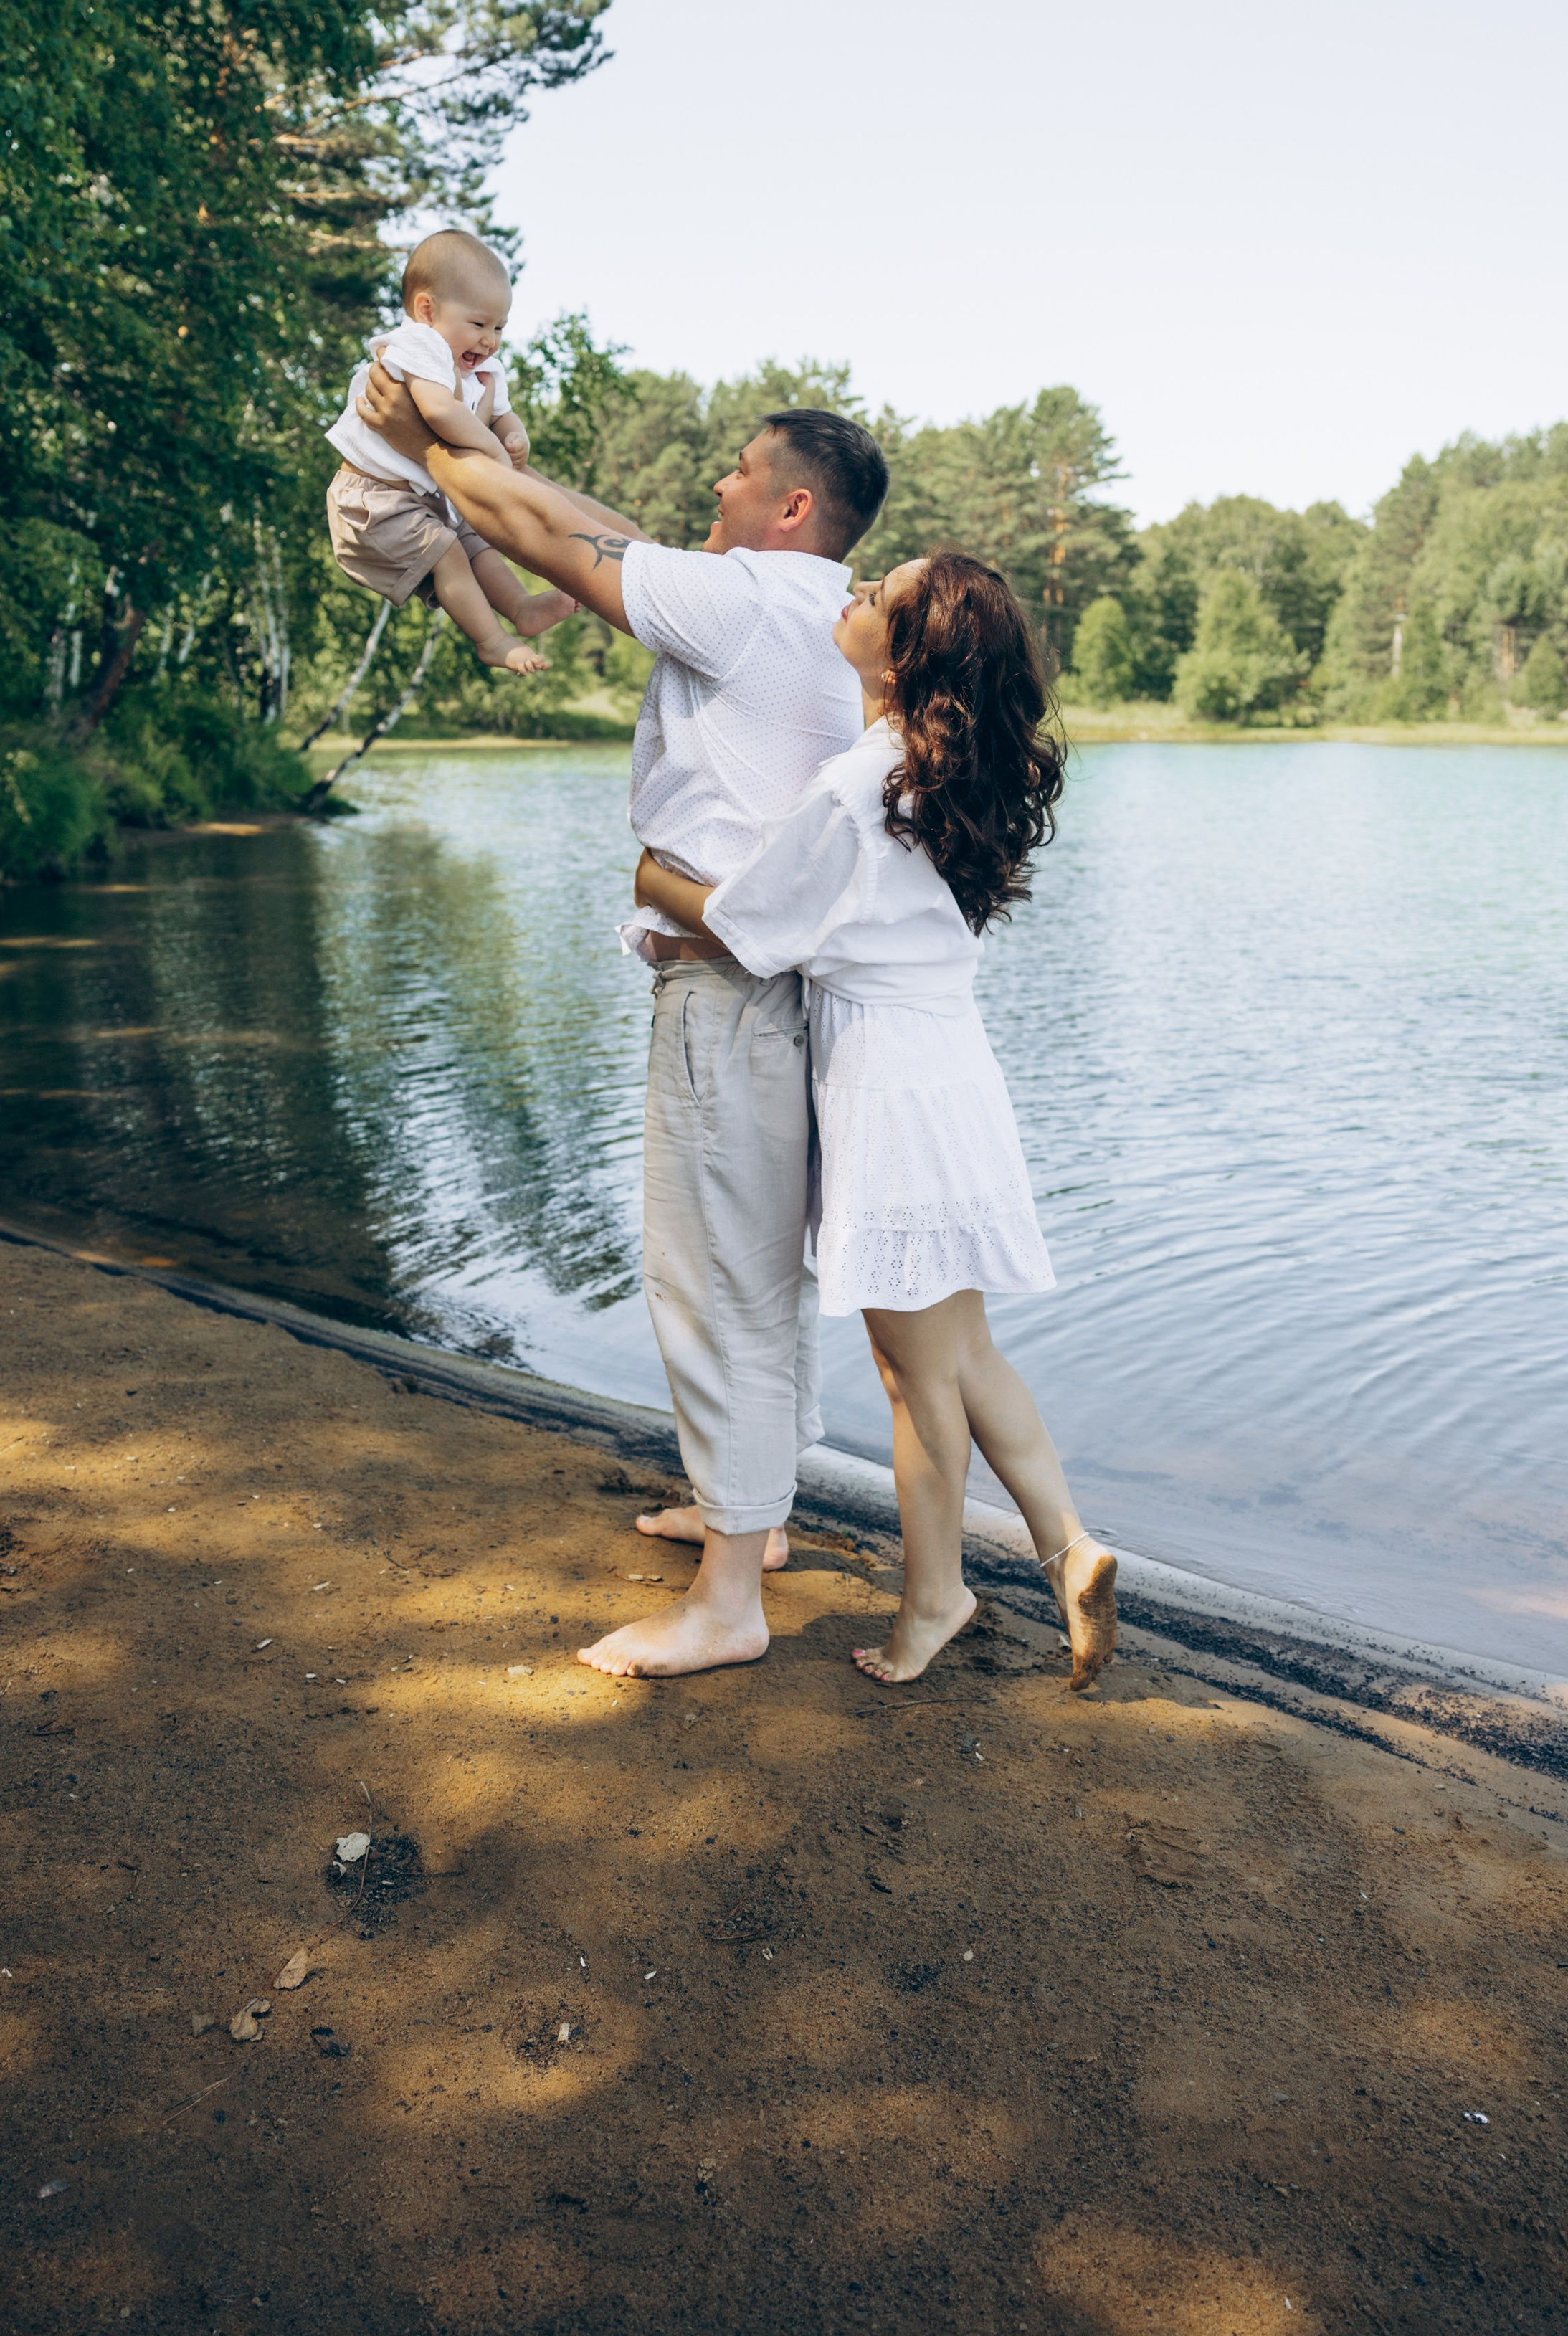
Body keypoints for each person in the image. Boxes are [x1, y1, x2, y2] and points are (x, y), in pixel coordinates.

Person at [351, 358, 890, 1676]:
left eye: (741, 471)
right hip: (792, 992)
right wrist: (484, 448)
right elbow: (605, 532)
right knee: (763, 1267)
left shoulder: (752, 604)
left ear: (791, 506)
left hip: (733, 990)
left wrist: (418, 424)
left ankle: (728, 1604)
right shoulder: (804, 603)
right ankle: (749, 1521)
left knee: (711, 1276)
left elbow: (545, 534)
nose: (716, 481)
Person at [633, 552, 1117, 1689]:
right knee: (966, 1353)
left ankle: (934, 1601)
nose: (846, 600)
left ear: (903, 657)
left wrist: (657, 881)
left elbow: (750, 923)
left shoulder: (859, 785)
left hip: (889, 1095)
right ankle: (1069, 1547)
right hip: (951, 1077)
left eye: (872, 602)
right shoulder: (935, 773)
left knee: (917, 1379)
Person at [325, 228, 576, 675]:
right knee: (451, 553)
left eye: (499, 328)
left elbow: (502, 413)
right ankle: (492, 640)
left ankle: (521, 607)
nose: (490, 340)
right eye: (479, 324)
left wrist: (514, 435)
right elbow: (439, 411)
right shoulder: (419, 345)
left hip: (426, 496)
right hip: (372, 500)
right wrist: (492, 449)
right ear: (427, 311)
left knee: (477, 542)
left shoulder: (481, 364)